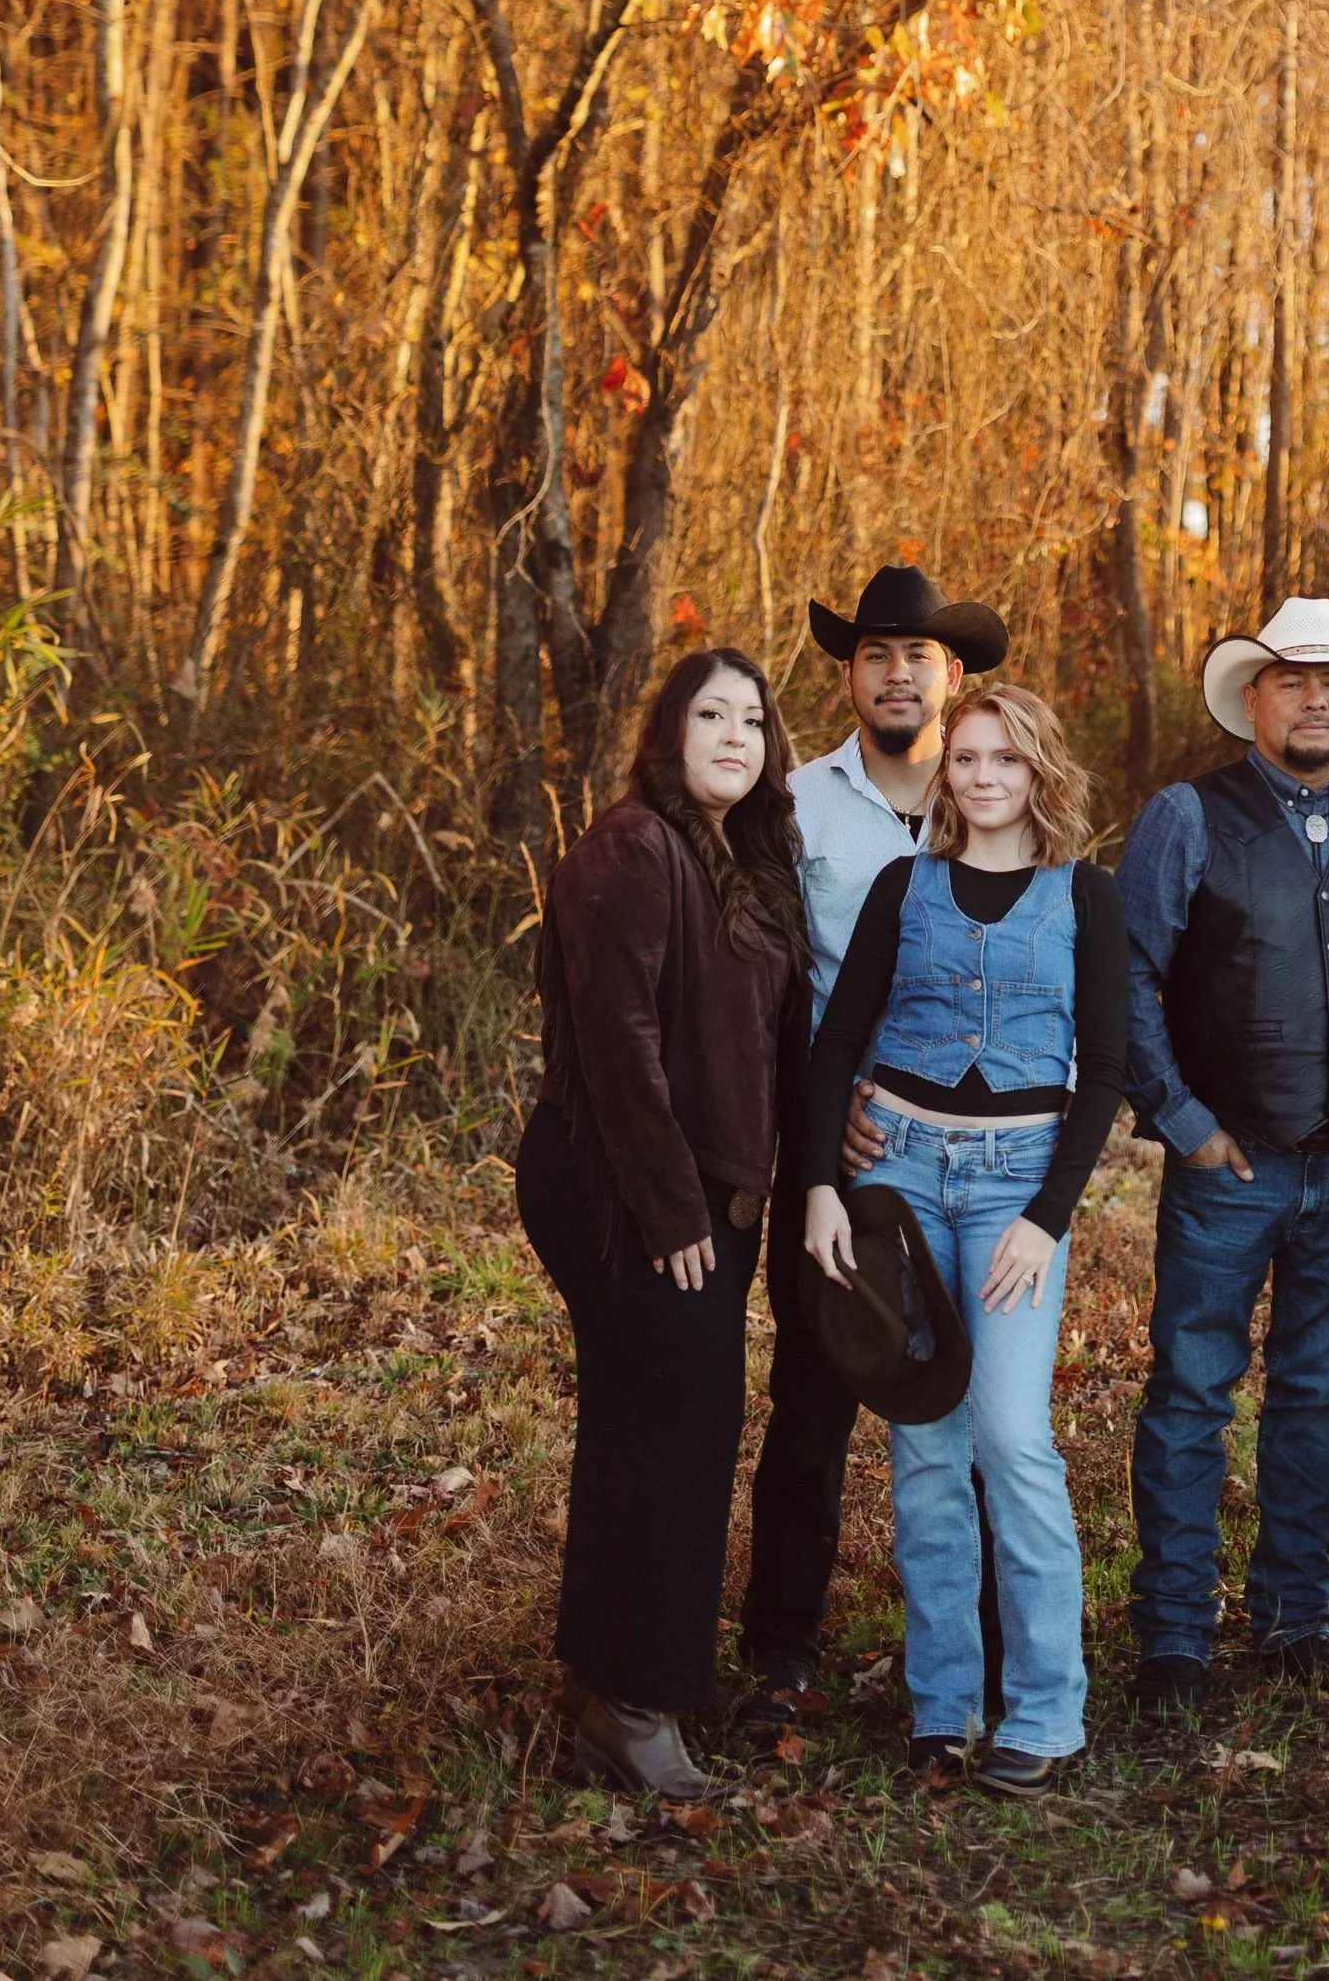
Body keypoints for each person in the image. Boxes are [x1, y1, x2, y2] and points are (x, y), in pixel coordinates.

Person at [804, 683, 1127, 1794]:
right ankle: (943, 1703)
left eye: (1005, 759)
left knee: (1012, 1437)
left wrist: (1047, 1219)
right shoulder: (907, 886)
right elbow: (840, 1035)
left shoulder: (1084, 897)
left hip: (1013, 1190)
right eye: (966, 759)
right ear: (945, 775)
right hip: (897, 1172)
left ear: (1041, 773)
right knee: (924, 1447)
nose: (982, 777)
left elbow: (1108, 1073)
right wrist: (819, 1185)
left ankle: (1046, 1709)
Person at [1119, 593, 1329, 1717]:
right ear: (1251, 698)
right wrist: (1181, 1118)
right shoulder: (1185, 817)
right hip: (1226, 1169)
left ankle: (1296, 1619)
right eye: (1291, 680)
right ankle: (1174, 1638)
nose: (1314, 699)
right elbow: (1130, 976)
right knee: (1193, 1394)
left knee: (1316, 1396)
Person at [516, 647, 807, 1797]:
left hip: (696, 1189)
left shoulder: (736, 857)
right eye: (711, 714)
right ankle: (639, 1705)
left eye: (753, 717)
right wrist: (672, 1204)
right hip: (620, 1184)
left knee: (645, 1419)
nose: (736, 734)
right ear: (669, 733)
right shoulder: (630, 848)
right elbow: (616, 1039)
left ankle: (600, 1685)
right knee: (687, 1421)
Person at [737, 561, 1008, 1728]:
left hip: (976, 1147)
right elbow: (779, 986)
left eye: (919, 656)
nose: (897, 674)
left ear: (953, 675)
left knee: (982, 1402)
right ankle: (779, 1651)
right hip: (842, 1140)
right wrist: (814, 1119)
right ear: (849, 675)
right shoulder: (795, 806)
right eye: (874, 655)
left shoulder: (997, 795)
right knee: (814, 1396)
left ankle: (977, 1648)